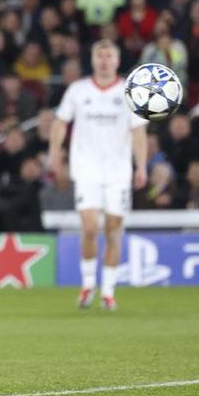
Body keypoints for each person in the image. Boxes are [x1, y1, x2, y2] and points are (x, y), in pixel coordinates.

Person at [49, 39, 147, 311]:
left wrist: (142, 166)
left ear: (117, 60)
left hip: (118, 172)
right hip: (87, 170)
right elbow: (60, 122)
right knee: (90, 228)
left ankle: (108, 291)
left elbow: (138, 131)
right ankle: (88, 285)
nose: (104, 60)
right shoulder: (78, 90)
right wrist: (55, 152)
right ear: (93, 60)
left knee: (114, 231)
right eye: (100, 55)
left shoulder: (129, 91)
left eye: (109, 56)